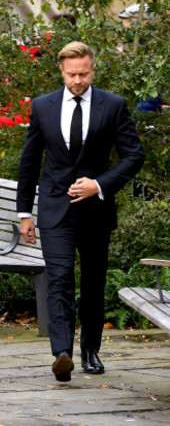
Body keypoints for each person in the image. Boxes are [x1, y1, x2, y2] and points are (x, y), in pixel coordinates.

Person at [16, 41, 144, 382]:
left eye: (84, 74)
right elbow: (29, 162)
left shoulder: (113, 106)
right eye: (72, 74)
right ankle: (62, 353)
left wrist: (99, 185)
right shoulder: (43, 107)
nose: (78, 81)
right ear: (61, 70)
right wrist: (24, 212)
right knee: (58, 279)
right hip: (55, 208)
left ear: (93, 69)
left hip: (95, 210)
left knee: (92, 281)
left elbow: (134, 156)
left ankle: (90, 350)